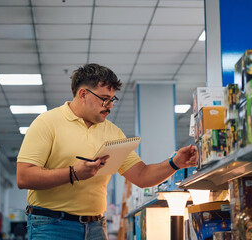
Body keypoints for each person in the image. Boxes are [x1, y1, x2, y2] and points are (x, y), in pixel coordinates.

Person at [16, 63, 196, 240]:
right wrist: (73, 173)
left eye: (112, 99)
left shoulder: (112, 132)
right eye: (104, 98)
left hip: (96, 227)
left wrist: (175, 163)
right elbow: (24, 177)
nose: (109, 105)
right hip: (52, 225)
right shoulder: (47, 123)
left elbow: (142, 176)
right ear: (83, 94)